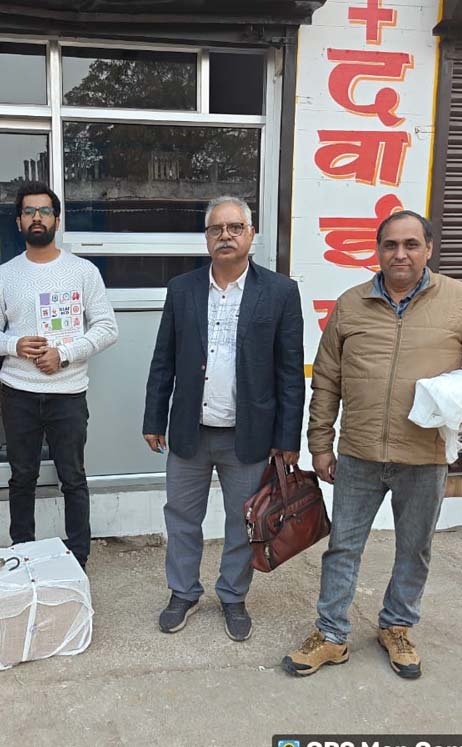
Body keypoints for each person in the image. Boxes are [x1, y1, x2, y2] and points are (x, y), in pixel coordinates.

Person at [283, 210, 462, 679]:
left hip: (424, 455)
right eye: (390, 245)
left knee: (414, 549)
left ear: (428, 249)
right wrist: (320, 444)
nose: (400, 254)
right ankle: (331, 635)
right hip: (358, 454)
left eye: (411, 244)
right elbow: (326, 379)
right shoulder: (351, 305)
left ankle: (396, 626)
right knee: (343, 548)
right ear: (378, 250)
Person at [143, 195, 305, 641]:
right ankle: (183, 592)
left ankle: (233, 596)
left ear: (251, 234)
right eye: (216, 229)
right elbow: (163, 359)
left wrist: (288, 438)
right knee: (181, 516)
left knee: (243, 521)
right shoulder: (183, 289)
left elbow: (290, 372)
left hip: (248, 434)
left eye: (235, 228)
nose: (226, 236)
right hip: (190, 431)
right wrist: (154, 417)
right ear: (206, 238)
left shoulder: (280, 292)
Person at [0, 182, 118, 570]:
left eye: (45, 211)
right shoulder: (4, 275)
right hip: (18, 392)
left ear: (57, 219)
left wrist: (64, 354)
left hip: (68, 392)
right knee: (22, 477)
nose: (37, 218)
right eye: (29, 212)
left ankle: (78, 558)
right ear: (18, 221)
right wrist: (14, 345)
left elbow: (107, 328)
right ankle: (22, 553)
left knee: (73, 477)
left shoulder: (82, 271)